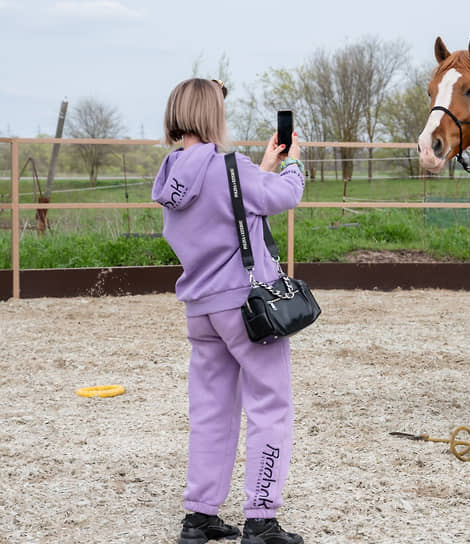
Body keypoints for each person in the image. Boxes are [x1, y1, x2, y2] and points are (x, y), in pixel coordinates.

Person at [152, 78, 305, 544]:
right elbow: (283, 196)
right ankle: (261, 517)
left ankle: (199, 515)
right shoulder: (230, 167)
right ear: (213, 114)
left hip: (201, 310)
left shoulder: (171, 177)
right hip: (245, 308)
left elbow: (227, 207)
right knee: (269, 406)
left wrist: (260, 167)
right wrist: (292, 162)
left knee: (211, 413)